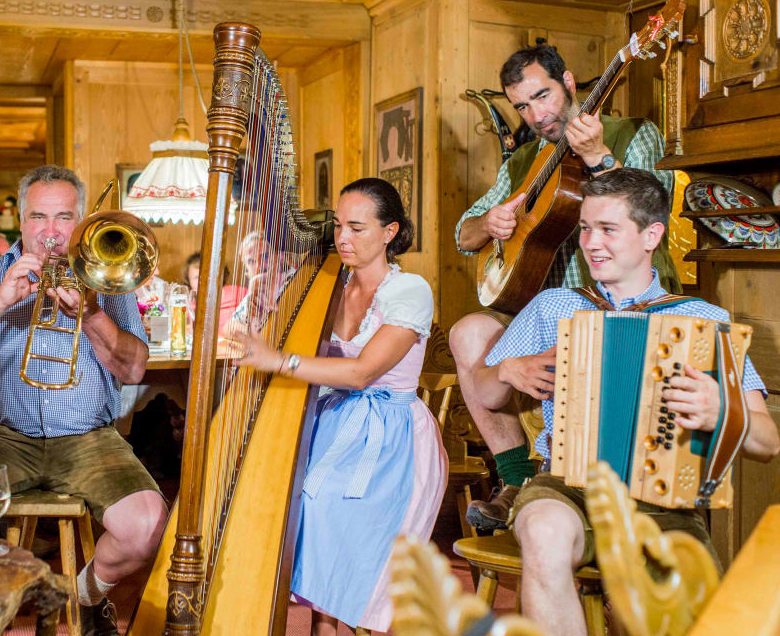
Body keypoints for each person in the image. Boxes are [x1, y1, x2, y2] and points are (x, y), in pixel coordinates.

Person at [475, 168, 778, 635]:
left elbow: (768, 442)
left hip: (663, 501)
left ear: (651, 235)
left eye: (608, 229)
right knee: (541, 528)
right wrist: (507, 370)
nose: (591, 243)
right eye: (586, 228)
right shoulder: (552, 306)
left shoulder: (702, 320)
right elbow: (485, 394)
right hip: (566, 485)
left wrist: (723, 411)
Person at [450, 43, 680, 530]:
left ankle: (568, 498)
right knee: (467, 333)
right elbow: (463, 236)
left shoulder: (634, 133)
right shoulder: (522, 162)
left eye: (543, 96)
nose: (536, 115)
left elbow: (648, 213)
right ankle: (515, 478)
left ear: (569, 83)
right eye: (522, 106)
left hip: (622, 307)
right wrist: (489, 223)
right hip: (543, 311)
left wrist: (598, 157)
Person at [0, 165, 164, 635]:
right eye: (39, 217)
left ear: (81, 222)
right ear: (21, 221)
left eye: (64, 217)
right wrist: (0, 300)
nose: (51, 232)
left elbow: (135, 369)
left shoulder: (108, 278)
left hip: (89, 439)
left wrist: (93, 315)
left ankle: (76, 595)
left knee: (147, 525)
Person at [230, 178, 447, 635]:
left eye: (357, 228)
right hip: (335, 419)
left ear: (389, 232)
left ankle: (337, 621)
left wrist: (279, 360)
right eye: (338, 227)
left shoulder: (409, 291)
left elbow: (362, 373)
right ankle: (324, 625)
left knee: (324, 502)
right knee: (286, 494)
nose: (343, 238)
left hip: (391, 436)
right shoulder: (329, 283)